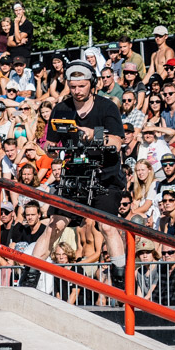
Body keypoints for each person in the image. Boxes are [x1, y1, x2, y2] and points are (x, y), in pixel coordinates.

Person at [31, 60, 128, 286]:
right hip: (74, 175)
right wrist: (50, 149)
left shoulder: (107, 107)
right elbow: (49, 143)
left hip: (105, 175)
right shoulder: (62, 108)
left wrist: (92, 135)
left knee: (107, 225)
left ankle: (121, 281)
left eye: (82, 86)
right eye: (73, 86)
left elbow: (117, 141)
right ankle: (29, 277)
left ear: (92, 84)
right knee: (55, 223)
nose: (77, 91)